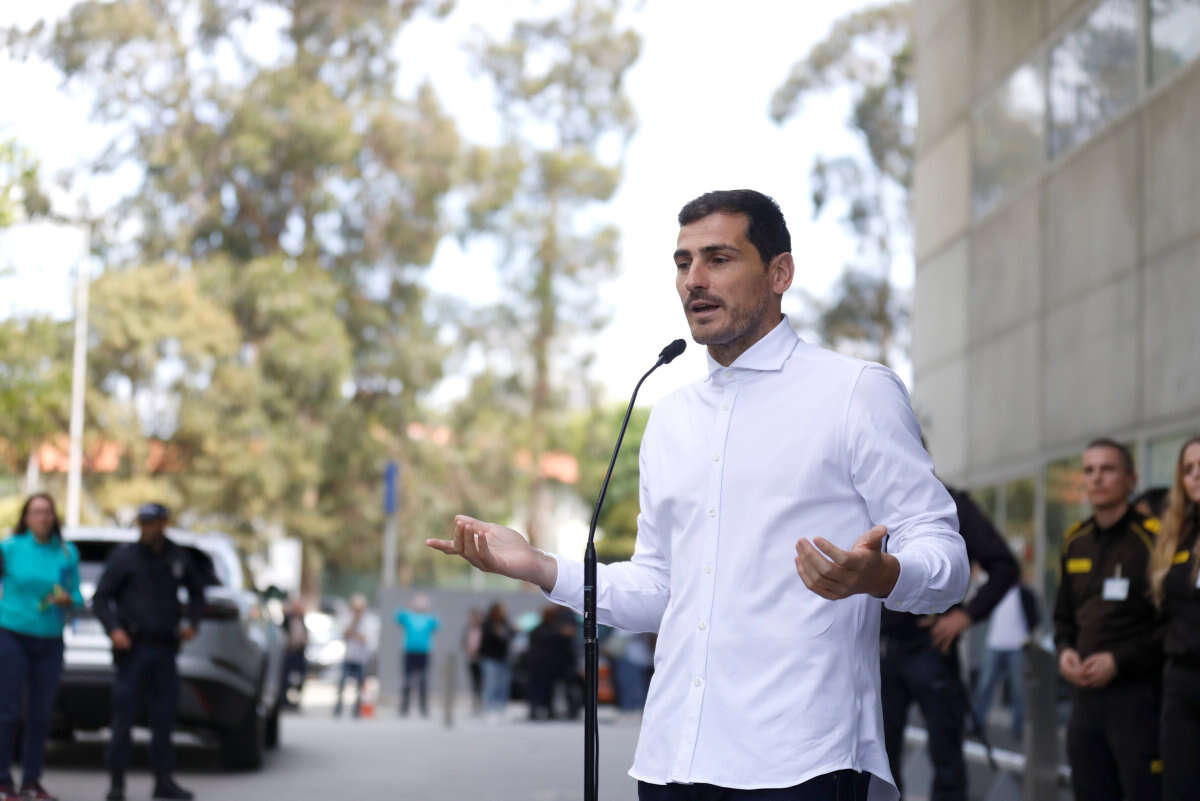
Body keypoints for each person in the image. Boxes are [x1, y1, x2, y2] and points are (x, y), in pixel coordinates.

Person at [428, 189, 969, 800]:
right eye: (683, 263)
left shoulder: (856, 392)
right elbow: (660, 588)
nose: (694, 280)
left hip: (800, 761)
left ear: (780, 273)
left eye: (719, 258)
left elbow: (946, 560)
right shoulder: (670, 417)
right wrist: (537, 566)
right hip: (671, 760)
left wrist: (885, 574)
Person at [879, 482, 1017, 801]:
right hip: (883, 648)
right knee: (879, 763)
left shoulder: (949, 502)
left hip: (932, 644)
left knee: (947, 760)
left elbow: (1004, 565)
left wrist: (966, 615)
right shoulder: (875, 499)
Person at [1054, 439, 1163, 801]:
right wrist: (1065, 651)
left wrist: (1119, 661)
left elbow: (1171, 625)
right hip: (1084, 699)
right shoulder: (1075, 541)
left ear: (1131, 480)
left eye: (1107, 469)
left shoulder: (1155, 539)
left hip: (1138, 698)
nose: (1097, 478)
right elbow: (1063, 617)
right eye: (1089, 470)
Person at [92, 503, 206, 801]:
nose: (147, 528)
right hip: (133, 650)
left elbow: (197, 593)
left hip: (166, 649)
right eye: (142, 523)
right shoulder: (125, 557)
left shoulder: (177, 556)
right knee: (123, 720)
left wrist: (193, 623)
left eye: (152, 523)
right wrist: (114, 629)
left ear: (164, 523)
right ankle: (117, 784)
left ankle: (163, 781)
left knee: (164, 719)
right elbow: (101, 599)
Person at [0, 494, 83, 801]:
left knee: (41, 714)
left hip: (50, 639)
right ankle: (3, 780)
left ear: (54, 516)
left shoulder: (66, 551)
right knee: (9, 711)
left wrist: (69, 600)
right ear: (26, 517)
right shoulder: (9, 548)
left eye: (47, 512)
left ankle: (31, 781)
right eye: (36, 512)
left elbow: (77, 596)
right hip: (12, 634)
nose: (42, 517)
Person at [1148, 435, 1200, 801]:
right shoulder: (1177, 533)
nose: (1195, 475)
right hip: (1181, 680)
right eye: (1188, 468)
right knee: (1179, 788)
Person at [972, 570, 1039, 743]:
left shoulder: (1024, 593)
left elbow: (1034, 617)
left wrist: (1027, 637)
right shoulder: (995, 592)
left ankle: (1018, 728)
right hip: (995, 644)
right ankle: (977, 723)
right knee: (985, 686)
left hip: (1017, 646)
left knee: (1018, 690)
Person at [393, 594, 439, 718]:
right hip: (409, 652)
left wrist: (428, 609)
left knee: (423, 680)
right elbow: (397, 616)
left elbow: (437, 625)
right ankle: (404, 707)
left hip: (424, 652)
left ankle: (423, 708)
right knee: (407, 680)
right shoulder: (408, 616)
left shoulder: (428, 618)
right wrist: (410, 606)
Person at [334, 594, 373, 718]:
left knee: (359, 685)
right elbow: (345, 634)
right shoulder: (347, 618)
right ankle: (338, 707)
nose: (357, 612)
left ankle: (357, 709)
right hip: (348, 656)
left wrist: (354, 634)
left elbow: (365, 638)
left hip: (361, 659)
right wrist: (354, 623)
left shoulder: (367, 621)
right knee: (342, 683)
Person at [478, 601, 514, 721]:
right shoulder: (488, 624)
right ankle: (489, 708)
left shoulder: (505, 623)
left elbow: (510, 636)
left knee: (503, 684)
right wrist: (496, 633)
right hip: (490, 658)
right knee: (490, 684)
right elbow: (485, 640)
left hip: (503, 657)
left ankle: (501, 708)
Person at [280, 596, 308, 709]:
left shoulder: (302, 619)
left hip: (299, 652)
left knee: (301, 676)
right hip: (289, 652)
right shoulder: (287, 619)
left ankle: (296, 700)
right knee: (285, 678)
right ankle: (285, 700)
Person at [463, 608, 484, 715]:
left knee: (482, 682)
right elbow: (464, 642)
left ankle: (482, 703)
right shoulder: (468, 629)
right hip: (471, 659)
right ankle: (475, 703)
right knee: (474, 682)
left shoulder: (483, 630)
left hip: (482, 659)